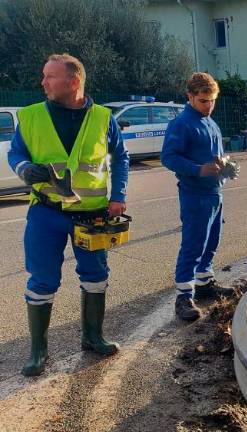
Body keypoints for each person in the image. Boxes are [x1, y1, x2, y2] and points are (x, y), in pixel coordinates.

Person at [6, 53, 129, 376]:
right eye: (44, 75)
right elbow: (15, 152)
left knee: (96, 277)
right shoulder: (31, 116)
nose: (43, 82)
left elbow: (121, 158)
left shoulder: (103, 118)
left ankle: (93, 337)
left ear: (73, 81)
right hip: (46, 214)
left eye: (50, 76)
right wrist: (23, 168)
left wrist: (118, 196)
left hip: (92, 217)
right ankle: (38, 352)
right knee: (42, 281)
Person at [161, 72, 235, 322]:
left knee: (212, 241)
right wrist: (197, 169)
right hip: (195, 194)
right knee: (193, 244)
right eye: (203, 101)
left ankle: (204, 283)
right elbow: (169, 157)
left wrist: (226, 168)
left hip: (215, 193)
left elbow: (216, 155)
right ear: (190, 96)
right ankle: (183, 297)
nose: (209, 105)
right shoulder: (182, 124)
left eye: (212, 100)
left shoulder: (211, 123)